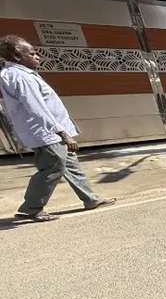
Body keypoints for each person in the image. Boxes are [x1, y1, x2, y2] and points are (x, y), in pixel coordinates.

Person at [0, 35, 114, 222]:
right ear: (17, 54)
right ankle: (31, 208)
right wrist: (62, 132)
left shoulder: (23, 74)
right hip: (46, 133)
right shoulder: (20, 77)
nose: (38, 57)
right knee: (52, 168)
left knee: (70, 165)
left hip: (51, 131)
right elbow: (36, 108)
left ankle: (90, 199)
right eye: (32, 53)